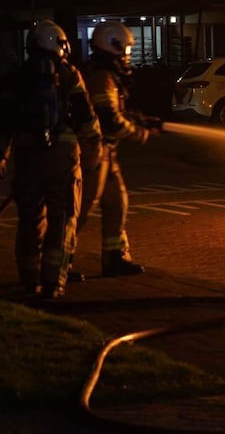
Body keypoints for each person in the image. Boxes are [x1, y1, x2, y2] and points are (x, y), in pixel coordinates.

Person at [0, 20, 101, 299]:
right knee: (62, 218)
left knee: (30, 219)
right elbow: (86, 115)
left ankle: (30, 279)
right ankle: (54, 281)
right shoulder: (69, 75)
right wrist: (95, 144)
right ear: (57, 44)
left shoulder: (17, 77)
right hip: (62, 155)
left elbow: (4, 120)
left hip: (26, 154)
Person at [77, 21, 156, 277]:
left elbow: (114, 112)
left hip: (105, 153)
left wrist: (136, 117)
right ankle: (59, 262)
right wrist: (137, 132)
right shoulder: (101, 77)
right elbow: (108, 119)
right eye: (126, 50)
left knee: (116, 203)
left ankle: (115, 257)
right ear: (112, 46)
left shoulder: (107, 76)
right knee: (80, 210)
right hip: (93, 153)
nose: (128, 57)